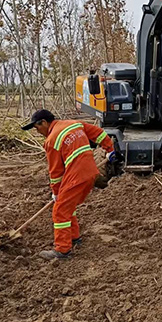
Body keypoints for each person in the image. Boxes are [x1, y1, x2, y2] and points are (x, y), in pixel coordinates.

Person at [22, 109, 116, 260]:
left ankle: (62, 250)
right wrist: (110, 149)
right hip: (91, 173)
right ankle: (74, 237)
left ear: (44, 122)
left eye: (37, 127)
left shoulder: (51, 140)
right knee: (68, 207)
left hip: (76, 176)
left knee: (60, 210)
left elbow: (56, 172)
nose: (37, 131)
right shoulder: (73, 124)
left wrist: (56, 192)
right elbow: (98, 133)